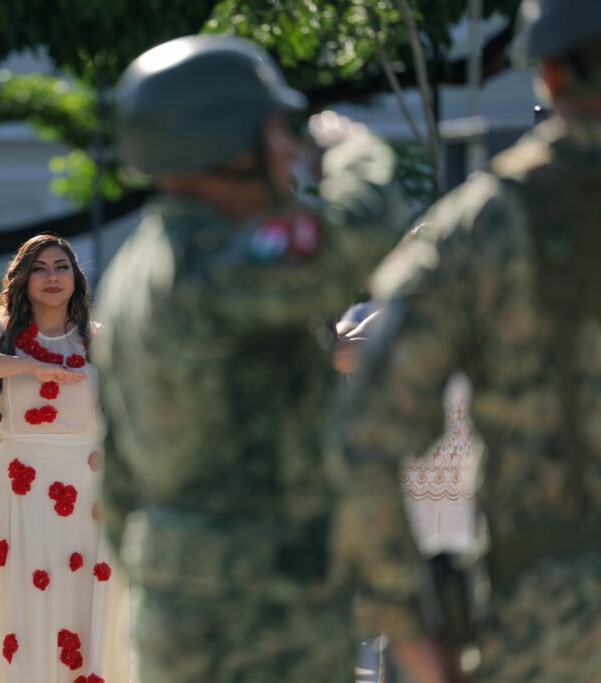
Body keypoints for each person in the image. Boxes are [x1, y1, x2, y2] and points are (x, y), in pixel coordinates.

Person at [93, 35, 407, 682]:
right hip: (260, 617)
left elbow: (119, 472)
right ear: (231, 150)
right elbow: (359, 233)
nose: (290, 153)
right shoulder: (215, 265)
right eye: (276, 133)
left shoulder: (133, 272)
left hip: (179, 603)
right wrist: (354, 152)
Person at [329, 0, 601, 680]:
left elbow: (364, 432)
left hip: (544, 619)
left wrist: (412, 629)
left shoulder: (486, 222)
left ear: (548, 73)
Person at [0, 234, 130, 683]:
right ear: (23, 278)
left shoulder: (98, 337)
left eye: (61, 267)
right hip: (20, 487)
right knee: (20, 603)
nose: (52, 277)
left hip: (90, 487)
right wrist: (29, 366)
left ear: (76, 277)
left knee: (83, 597)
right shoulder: (0, 328)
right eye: (40, 268)